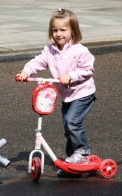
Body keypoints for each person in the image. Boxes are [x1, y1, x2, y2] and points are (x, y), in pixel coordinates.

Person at [16, 8, 96, 172]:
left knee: (72, 121)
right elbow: (38, 61)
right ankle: (71, 162)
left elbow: (88, 70)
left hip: (83, 93)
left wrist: (71, 75)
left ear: (73, 31)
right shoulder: (49, 50)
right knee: (68, 128)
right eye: (55, 30)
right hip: (66, 95)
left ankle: (83, 151)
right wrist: (26, 71)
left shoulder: (79, 50)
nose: (59, 34)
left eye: (63, 30)